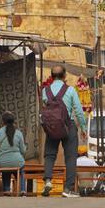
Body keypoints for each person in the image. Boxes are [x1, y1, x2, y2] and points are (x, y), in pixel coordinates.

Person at [40, 64, 86, 197]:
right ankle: (68, 189)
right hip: (69, 125)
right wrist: (83, 128)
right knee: (70, 157)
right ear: (65, 76)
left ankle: (48, 180)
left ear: (51, 76)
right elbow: (78, 110)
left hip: (52, 126)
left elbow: (45, 108)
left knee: (49, 155)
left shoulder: (45, 91)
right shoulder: (70, 90)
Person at [0, 112, 27, 194]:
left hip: (0, 162)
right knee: (21, 168)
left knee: (5, 167)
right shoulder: (19, 133)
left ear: (2, 121)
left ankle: (7, 189)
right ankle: (22, 189)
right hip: (16, 161)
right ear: (13, 121)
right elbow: (23, 151)